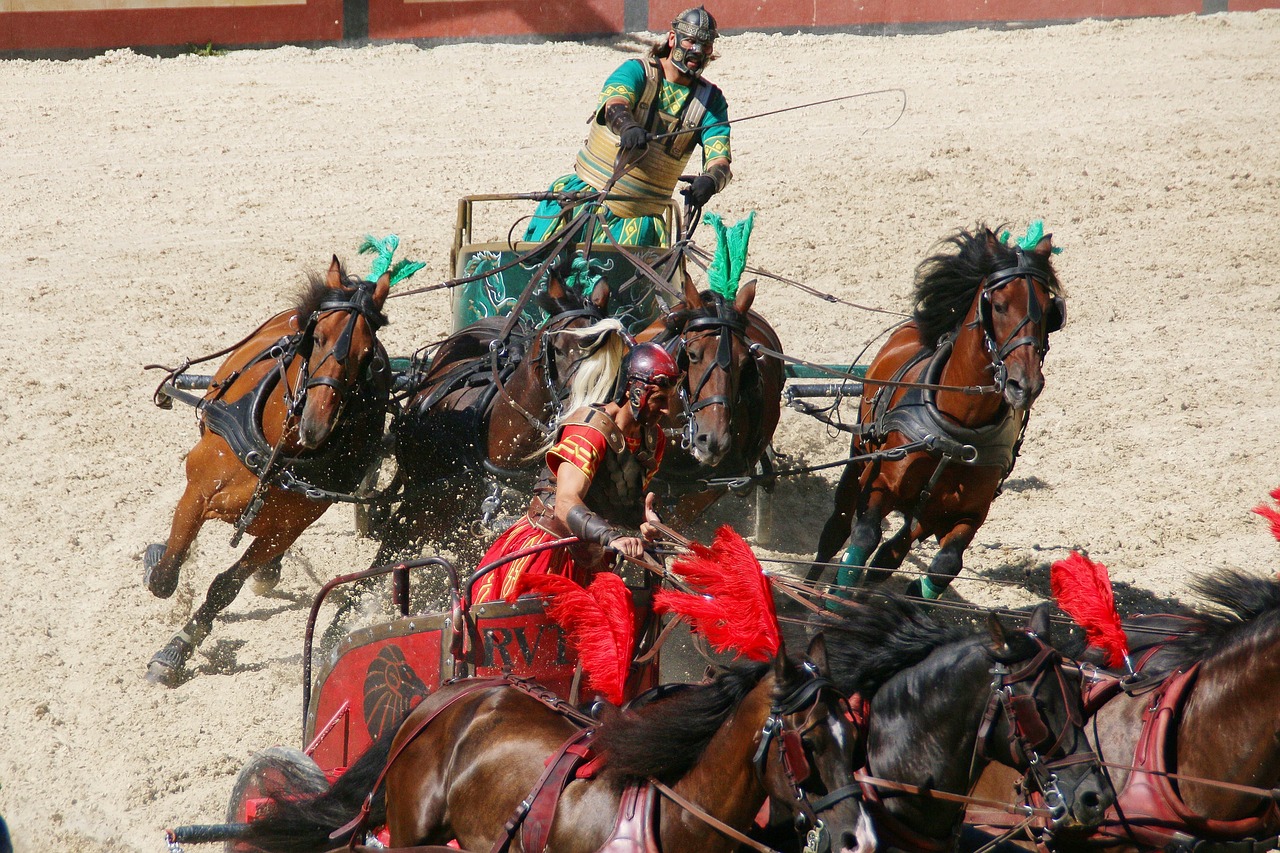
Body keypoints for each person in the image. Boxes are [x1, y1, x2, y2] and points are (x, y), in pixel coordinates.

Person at [472, 342, 682, 603]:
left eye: (669, 400)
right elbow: (566, 503)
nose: (667, 410)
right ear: (635, 392)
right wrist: (611, 537)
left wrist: (645, 519)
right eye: (659, 400)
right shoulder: (590, 431)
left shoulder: (653, 439)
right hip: (547, 550)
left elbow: (616, 498)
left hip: (592, 556)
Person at [523, 6, 732, 248]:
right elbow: (615, 102)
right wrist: (628, 127)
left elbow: (720, 159)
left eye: (705, 46)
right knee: (539, 263)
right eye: (691, 41)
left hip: (641, 220)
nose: (697, 51)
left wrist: (710, 180)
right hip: (584, 197)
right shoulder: (637, 71)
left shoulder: (711, 102)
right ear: (673, 38)